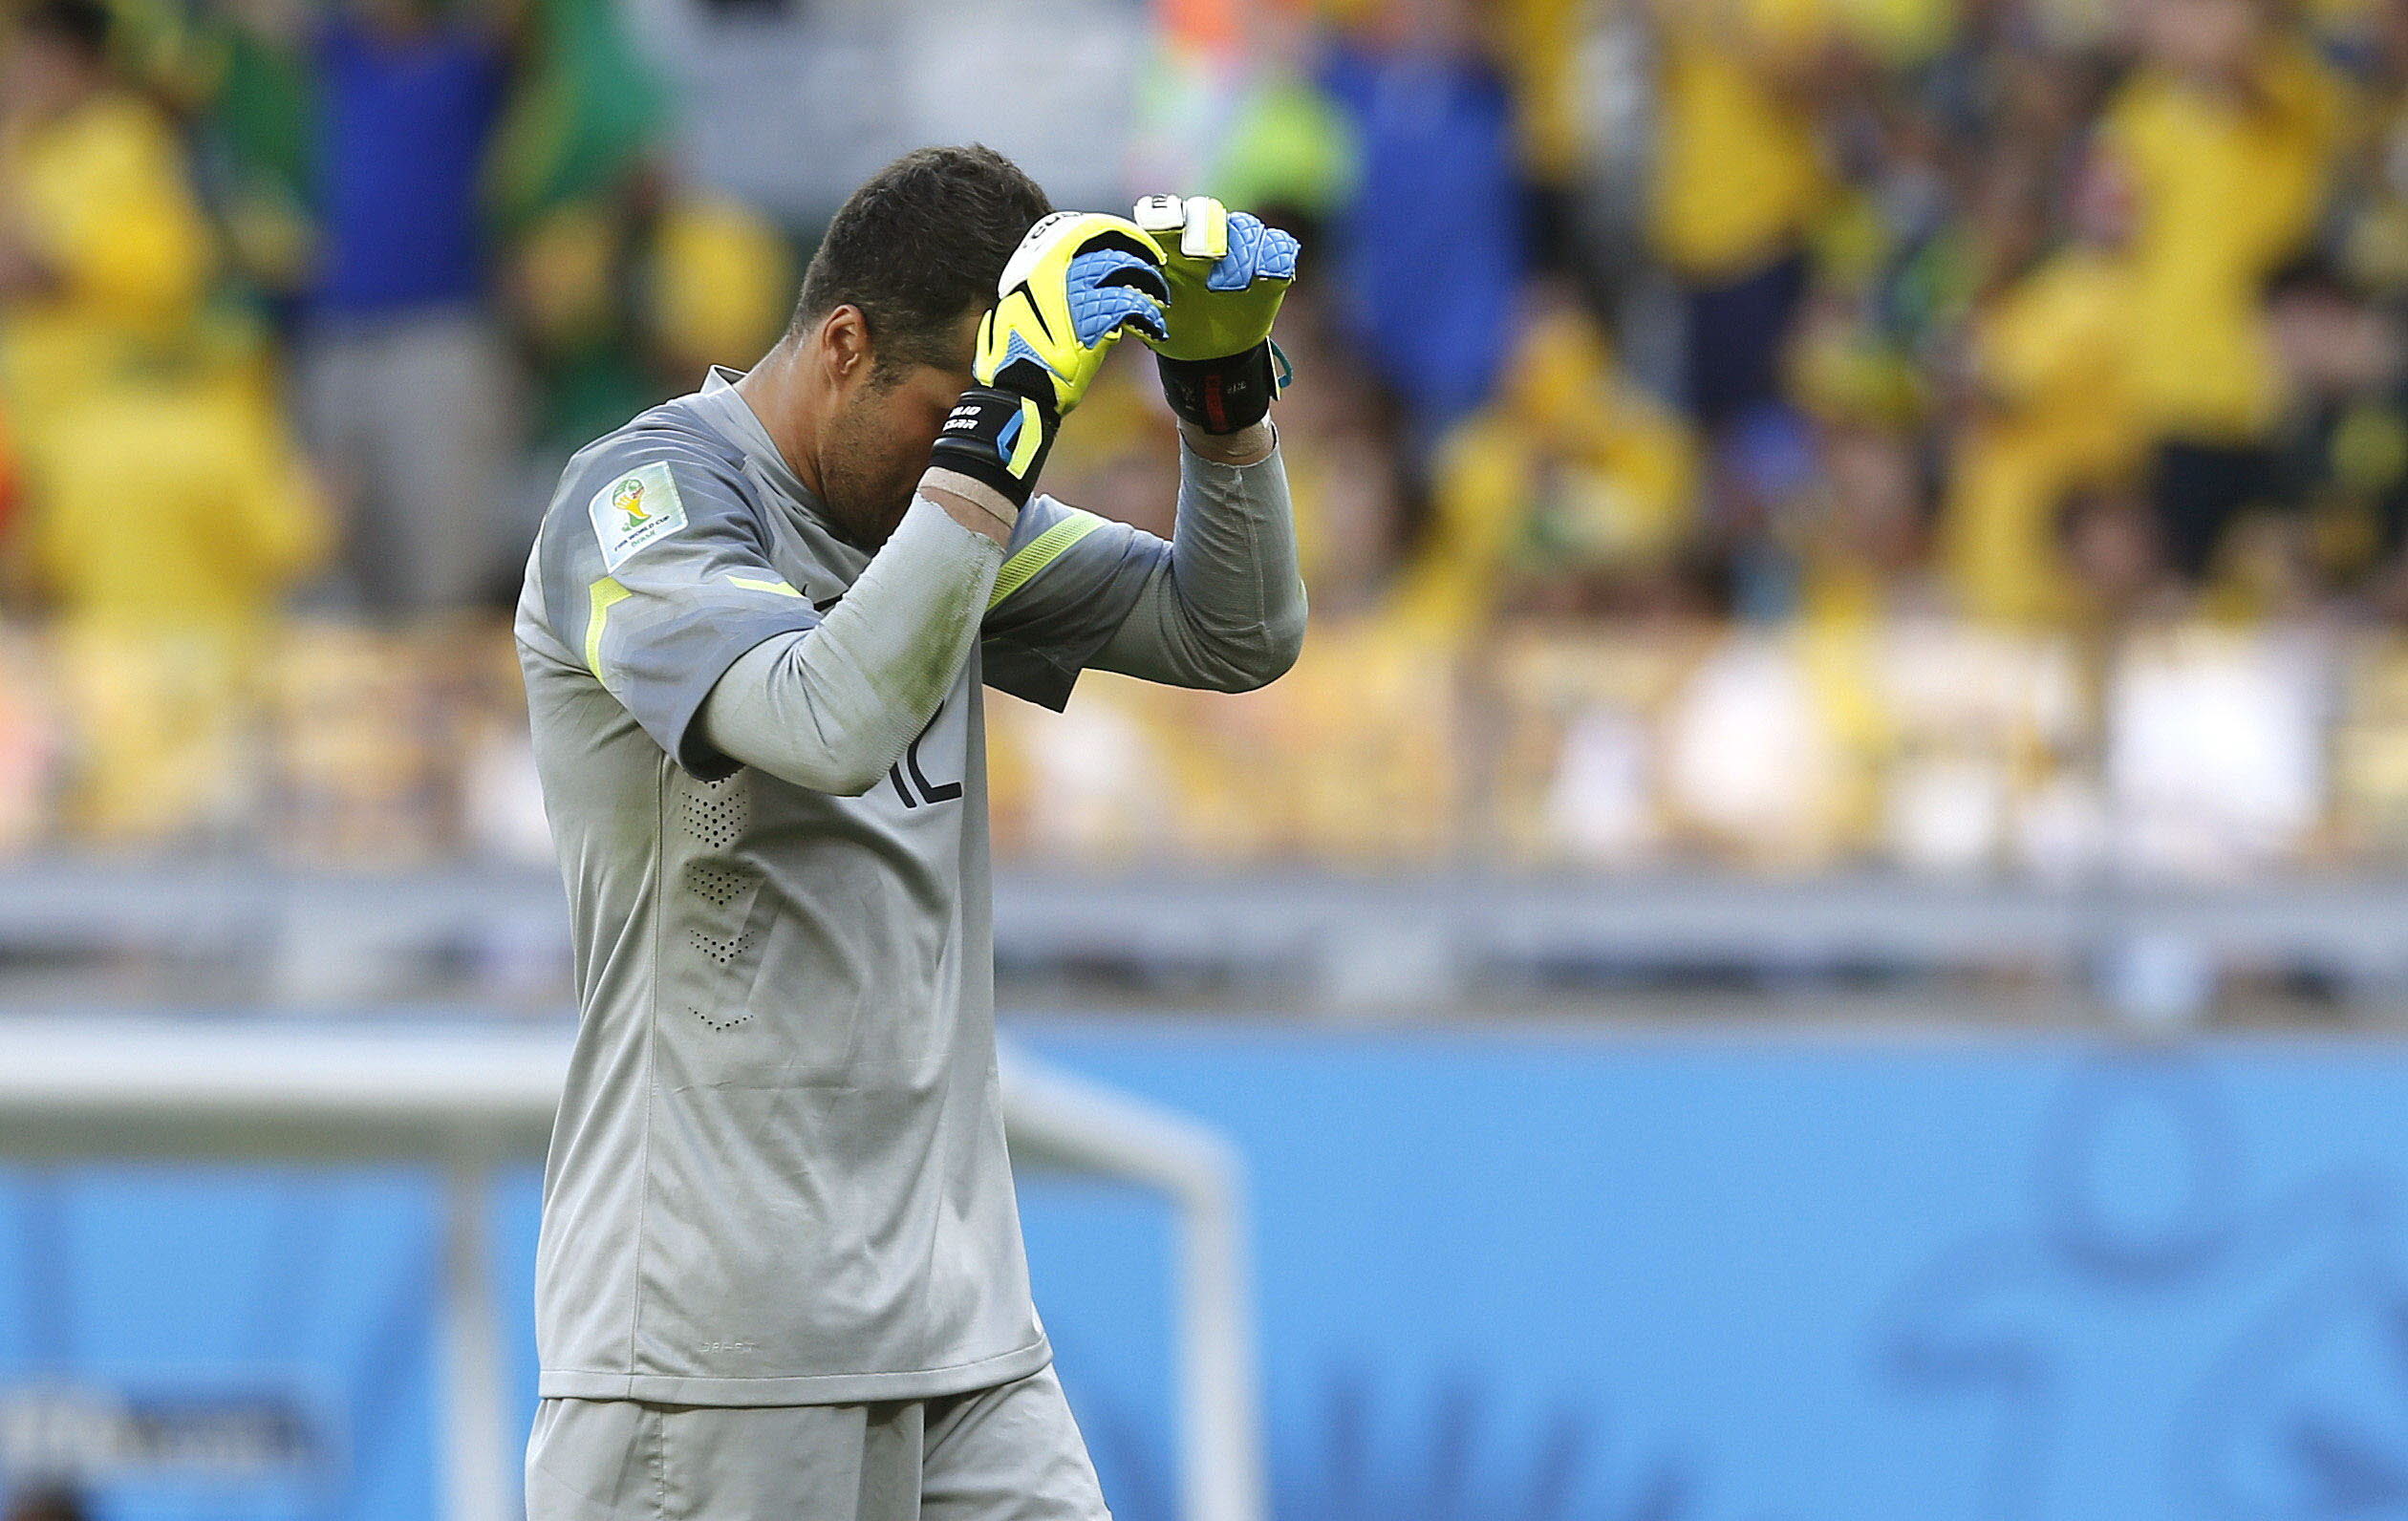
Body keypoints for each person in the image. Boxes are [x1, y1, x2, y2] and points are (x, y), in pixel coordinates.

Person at [516, 146, 1304, 1518]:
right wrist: (992, 439)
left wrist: (1223, 409)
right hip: (713, 1358)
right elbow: (825, 722)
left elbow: (1233, 632)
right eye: (957, 410)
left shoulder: (938, 514)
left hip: (963, 1337)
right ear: (843, 344)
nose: (999, 459)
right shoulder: (639, 506)